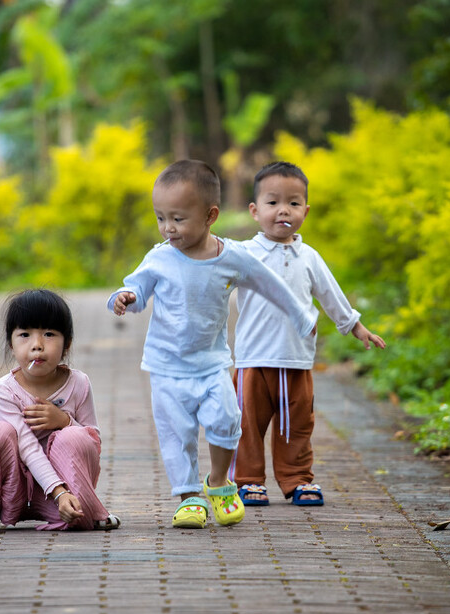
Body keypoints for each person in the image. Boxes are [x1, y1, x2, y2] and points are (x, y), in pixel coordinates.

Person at [109, 159, 315, 529]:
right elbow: (137, 287)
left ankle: (218, 482)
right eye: (161, 218)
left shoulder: (231, 257)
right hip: (166, 367)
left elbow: (270, 284)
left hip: (211, 363)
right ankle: (189, 498)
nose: (168, 228)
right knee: (177, 436)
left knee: (226, 420)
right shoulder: (159, 257)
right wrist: (126, 297)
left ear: (210, 215)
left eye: (178, 218)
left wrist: (301, 317)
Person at [229, 161, 386, 507]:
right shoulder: (243, 254)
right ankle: (248, 480)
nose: (283, 210)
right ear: (254, 211)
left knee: (297, 426)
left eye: (293, 203)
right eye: (273, 202)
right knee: (245, 425)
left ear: (306, 211)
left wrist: (355, 327)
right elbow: (213, 282)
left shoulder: (309, 257)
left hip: (296, 359)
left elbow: (331, 295)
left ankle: (298, 479)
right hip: (253, 358)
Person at [0, 289, 119, 533]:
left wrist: (65, 421)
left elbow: (93, 443)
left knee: (76, 435)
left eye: (49, 334)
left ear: (67, 344)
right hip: (12, 490)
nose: (37, 345)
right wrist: (58, 490)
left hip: (61, 498)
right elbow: (26, 445)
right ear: (11, 344)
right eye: (25, 335)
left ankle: (84, 509)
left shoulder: (79, 384)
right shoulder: (4, 391)